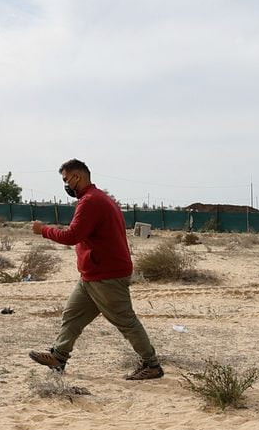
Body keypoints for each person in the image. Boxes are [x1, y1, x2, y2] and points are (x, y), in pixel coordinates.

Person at [28, 159, 162, 379]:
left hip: (106, 275)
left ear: (77, 177)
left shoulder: (91, 201)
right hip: (93, 274)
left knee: (126, 321)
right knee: (72, 316)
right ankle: (58, 357)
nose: (65, 185)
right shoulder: (99, 199)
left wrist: (43, 230)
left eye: (65, 179)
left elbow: (72, 236)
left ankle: (152, 365)